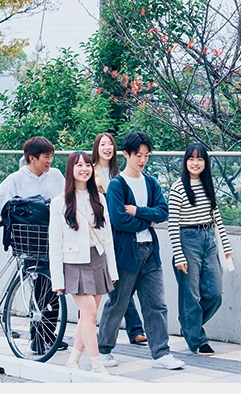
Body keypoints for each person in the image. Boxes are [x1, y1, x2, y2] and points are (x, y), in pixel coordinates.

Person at [96, 131, 185, 370]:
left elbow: (163, 212)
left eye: (146, 155)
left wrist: (138, 211)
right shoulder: (117, 185)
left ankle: (161, 353)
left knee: (156, 304)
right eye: (138, 155)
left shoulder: (151, 182)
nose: (142, 160)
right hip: (127, 252)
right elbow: (119, 220)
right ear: (126, 154)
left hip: (150, 252)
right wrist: (148, 220)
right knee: (118, 302)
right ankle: (103, 349)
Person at [0, 136, 68, 351]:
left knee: (54, 288)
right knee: (41, 286)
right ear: (32, 158)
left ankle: (48, 335)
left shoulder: (56, 175)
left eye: (51, 156)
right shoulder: (16, 179)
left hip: (52, 239)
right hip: (29, 240)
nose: (50, 161)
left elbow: (68, 198)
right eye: (46, 156)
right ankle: (38, 338)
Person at [49, 152, 119, 374]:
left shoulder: (99, 199)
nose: (84, 169)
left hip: (98, 259)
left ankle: (73, 360)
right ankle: (97, 365)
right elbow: (55, 244)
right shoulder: (59, 203)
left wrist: (112, 270)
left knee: (88, 316)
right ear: (71, 170)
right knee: (89, 313)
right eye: (79, 165)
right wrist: (57, 280)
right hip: (74, 263)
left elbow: (107, 237)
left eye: (88, 165)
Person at [167, 142, 234, 356]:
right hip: (188, 240)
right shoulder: (178, 188)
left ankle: (188, 324)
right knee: (191, 295)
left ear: (205, 162)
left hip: (208, 239)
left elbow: (216, 218)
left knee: (215, 294)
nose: (195, 163)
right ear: (185, 162)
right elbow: (172, 224)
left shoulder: (207, 185)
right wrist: (179, 255)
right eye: (191, 159)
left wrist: (226, 246)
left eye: (200, 159)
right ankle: (197, 340)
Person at [92, 132, 147, 346]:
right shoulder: (91, 171)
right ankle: (127, 330)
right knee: (117, 284)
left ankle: (134, 329)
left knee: (121, 283)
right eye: (102, 144)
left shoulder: (120, 173)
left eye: (110, 144)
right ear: (96, 148)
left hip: (121, 234)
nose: (107, 148)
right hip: (102, 232)